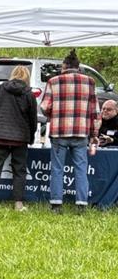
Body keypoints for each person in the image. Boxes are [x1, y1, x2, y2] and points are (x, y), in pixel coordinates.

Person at [40, 49, 99, 213]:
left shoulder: (54, 81)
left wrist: (53, 114)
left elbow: (44, 107)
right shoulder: (90, 82)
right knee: (81, 169)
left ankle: (56, 204)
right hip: (81, 133)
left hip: (59, 132)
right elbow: (95, 112)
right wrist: (94, 134)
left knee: (57, 169)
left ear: (65, 66)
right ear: (78, 66)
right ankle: (81, 204)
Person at [0, 65, 38, 211]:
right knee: (20, 170)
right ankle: (18, 203)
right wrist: (31, 136)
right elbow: (33, 119)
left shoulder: (1, 89)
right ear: (27, 77)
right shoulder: (29, 94)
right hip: (20, 138)